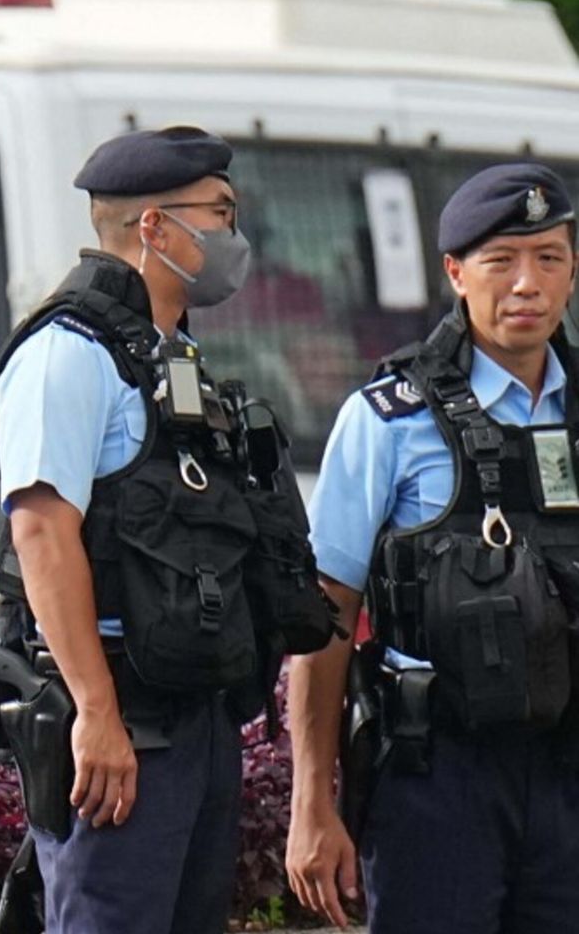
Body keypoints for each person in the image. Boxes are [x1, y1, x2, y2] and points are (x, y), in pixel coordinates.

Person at [0, 126, 333, 934]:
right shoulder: (67, 354)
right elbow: (41, 535)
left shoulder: (171, 357)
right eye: (219, 214)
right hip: (118, 711)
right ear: (153, 228)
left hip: (191, 714)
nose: (234, 237)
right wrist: (96, 712)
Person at [287, 163, 579, 933]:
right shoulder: (390, 418)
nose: (527, 284)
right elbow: (324, 618)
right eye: (501, 262)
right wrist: (312, 803)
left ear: (573, 270)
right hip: (438, 775)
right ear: (455, 273)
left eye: (549, 258)